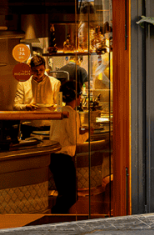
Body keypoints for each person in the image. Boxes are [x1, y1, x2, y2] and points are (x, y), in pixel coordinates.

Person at [49, 81, 87, 214]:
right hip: (64, 160)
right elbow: (74, 139)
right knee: (70, 197)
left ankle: (57, 221)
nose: (81, 98)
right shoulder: (71, 113)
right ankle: (55, 220)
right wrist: (87, 133)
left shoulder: (58, 111)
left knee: (64, 195)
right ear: (76, 97)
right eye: (80, 95)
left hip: (54, 157)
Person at [14, 53, 60, 136]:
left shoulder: (55, 83)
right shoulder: (22, 83)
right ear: (30, 70)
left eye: (41, 70)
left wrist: (55, 107)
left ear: (45, 68)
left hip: (48, 125)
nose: (38, 73)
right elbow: (16, 106)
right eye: (35, 70)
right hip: (28, 126)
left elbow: (60, 106)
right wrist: (26, 106)